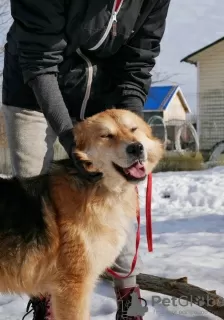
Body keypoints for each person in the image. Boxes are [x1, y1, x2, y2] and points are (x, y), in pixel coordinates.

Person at [2, 0, 171, 319]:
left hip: (103, 101)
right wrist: (73, 139)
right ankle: (45, 300)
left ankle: (130, 299)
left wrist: (127, 134)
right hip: (34, 90)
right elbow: (40, 60)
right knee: (32, 198)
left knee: (117, 199)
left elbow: (138, 62)